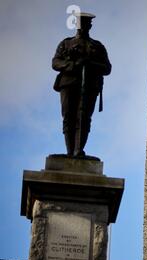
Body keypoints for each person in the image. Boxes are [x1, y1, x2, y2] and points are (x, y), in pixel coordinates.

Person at [52, 12, 111, 157]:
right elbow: (55, 62)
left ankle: (79, 150)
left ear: (89, 26)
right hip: (68, 83)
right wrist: (72, 65)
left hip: (90, 85)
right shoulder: (66, 43)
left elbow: (107, 68)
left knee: (84, 117)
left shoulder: (97, 46)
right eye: (80, 24)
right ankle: (70, 151)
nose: (82, 27)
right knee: (68, 116)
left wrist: (90, 64)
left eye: (85, 24)